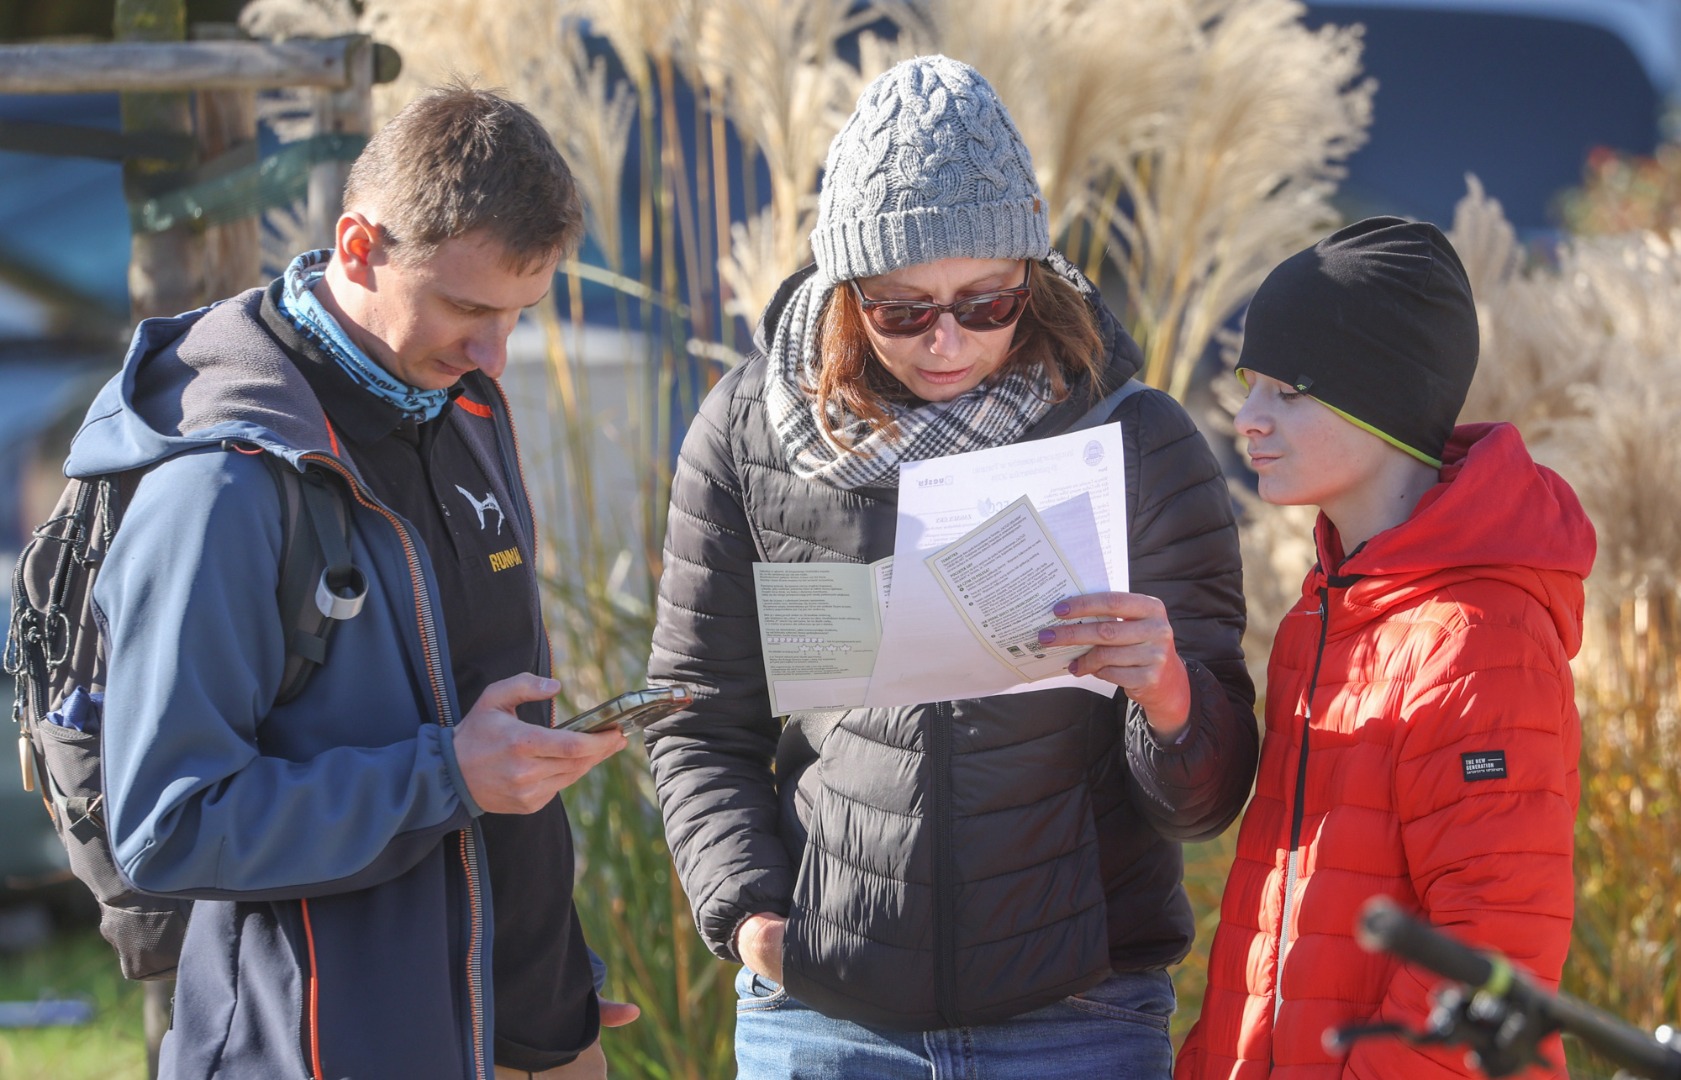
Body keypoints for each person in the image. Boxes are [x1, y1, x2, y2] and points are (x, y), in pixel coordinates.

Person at [643, 55, 1258, 1079]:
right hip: (821, 1013)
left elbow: (1204, 800)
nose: (944, 341)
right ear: (846, 293)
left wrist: (1168, 698)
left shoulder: (1133, 438)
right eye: (901, 309)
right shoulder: (749, 430)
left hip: (1077, 1014)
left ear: (1035, 280)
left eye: (985, 302)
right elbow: (696, 715)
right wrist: (749, 915)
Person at [78, 86, 633, 1079]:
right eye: (466, 307)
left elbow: (495, 743)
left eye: (518, 314)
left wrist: (559, 986)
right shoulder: (220, 487)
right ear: (359, 244)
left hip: (538, 1036)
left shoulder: (467, 405)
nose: (491, 355)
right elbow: (167, 827)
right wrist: (443, 776)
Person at [1175, 217, 1593, 1079]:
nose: (1246, 419)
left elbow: (1492, 945)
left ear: (1382, 400)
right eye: (1249, 386)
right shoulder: (1326, 612)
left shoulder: (1475, 638)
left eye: (1286, 392)